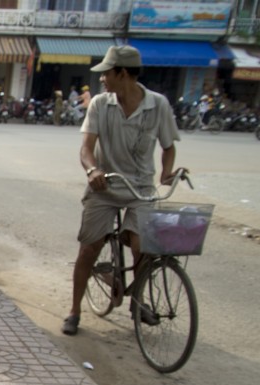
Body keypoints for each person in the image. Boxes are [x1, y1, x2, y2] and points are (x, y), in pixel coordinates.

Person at [61, 45, 179, 336]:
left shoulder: (158, 105)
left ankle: (137, 304)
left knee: (143, 248)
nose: (102, 79)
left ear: (123, 74)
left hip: (140, 188)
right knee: (89, 248)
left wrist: (166, 172)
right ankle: (74, 310)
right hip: (104, 186)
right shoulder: (101, 103)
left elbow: (168, 147)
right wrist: (93, 170)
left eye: (106, 73)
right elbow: (86, 148)